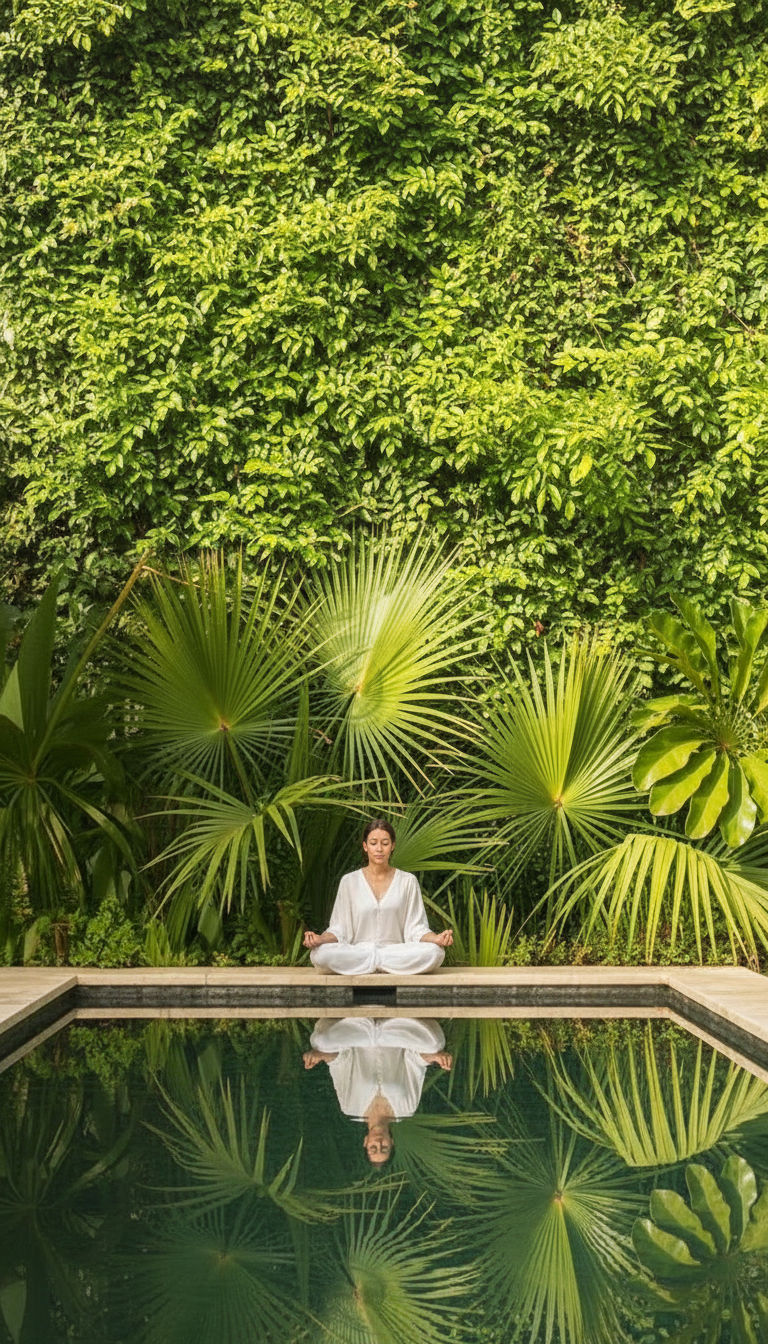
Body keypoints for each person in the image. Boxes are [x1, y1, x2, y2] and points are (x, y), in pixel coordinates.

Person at [302, 818, 453, 975]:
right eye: (373, 843)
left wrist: (436, 939)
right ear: (365, 846)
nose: (379, 849)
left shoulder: (408, 881)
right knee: (321, 953)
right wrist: (320, 939)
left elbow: (416, 928)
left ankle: (373, 964)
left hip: (396, 952)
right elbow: (340, 928)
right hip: (359, 951)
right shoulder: (349, 881)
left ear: (392, 846)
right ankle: (379, 963)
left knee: (435, 952)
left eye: (385, 843)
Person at [302, 1016, 452, 1164]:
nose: (379, 1143)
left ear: (365, 1142)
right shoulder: (406, 1109)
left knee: (321, 1043)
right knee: (434, 1045)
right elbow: (414, 1062)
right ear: (391, 1142)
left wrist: (320, 1056)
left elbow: (340, 1061)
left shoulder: (349, 1107)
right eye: (384, 1148)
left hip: (357, 1037)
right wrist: (434, 1057)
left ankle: (372, 1028)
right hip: (396, 1035)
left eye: (373, 1148)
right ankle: (380, 1027)